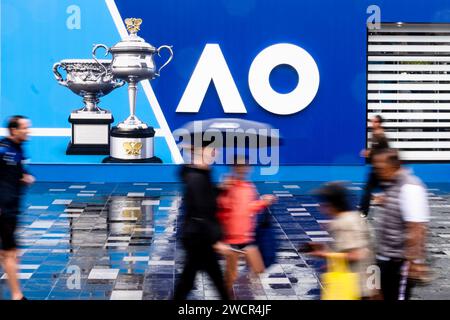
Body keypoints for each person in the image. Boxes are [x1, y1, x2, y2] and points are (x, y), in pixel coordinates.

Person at [173, 144, 230, 300]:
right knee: (213, 281)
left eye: (215, 149)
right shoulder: (197, 177)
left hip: (198, 236)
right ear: (199, 151)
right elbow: (201, 212)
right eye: (211, 149)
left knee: (189, 281)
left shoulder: (202, 173)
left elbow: (206, 198)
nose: (215, 152)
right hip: (199, 238)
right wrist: (216, 240)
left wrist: (220, 189)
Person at [372, 148, 430, 300]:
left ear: (393, 166)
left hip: (399, 263)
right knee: (375, 294)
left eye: (379, 167)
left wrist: (414, 262)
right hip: (383, 258)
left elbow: (417, 227)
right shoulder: (392, 183)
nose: (376, 171)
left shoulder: (411, 187)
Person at [217, 158, 276, 298]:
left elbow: (248, 208)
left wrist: (264, 202)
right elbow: (219, 209)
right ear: (234, 167)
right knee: (230, 277)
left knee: (258, 268)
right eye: (240, 166)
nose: (243, 168)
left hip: (246, 236)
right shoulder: (227, 186)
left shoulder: (249, 187)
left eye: (246, 166)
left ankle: (242, 294)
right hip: (232, 238)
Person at [308, 182, 375, 299]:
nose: (319, 206)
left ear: (332, 205)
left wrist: (323, 254)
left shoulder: (344, 223)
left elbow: (356, 255)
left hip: (354, 287)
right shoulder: (355, 216)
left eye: (323, 203)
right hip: (366, 283)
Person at [0, 115, 35, 300]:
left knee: (9, 253)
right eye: (24, 128)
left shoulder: (17, 149)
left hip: (12, 209)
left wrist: (25, 176)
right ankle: (17, 295)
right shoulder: (3, 150)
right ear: (14, 130)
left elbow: (18, 171)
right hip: (4, 210)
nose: (27, 131)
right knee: (11, 253)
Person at [359, 115, 390, 218]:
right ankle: (364, 210)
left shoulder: (381, 136)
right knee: (369, 189)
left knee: (368, 189)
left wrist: (369, 153)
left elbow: (385, 152)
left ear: (379, 123)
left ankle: (363, 211)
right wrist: (369, 152)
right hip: (376, 168)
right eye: (372, 121)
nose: (372, 123)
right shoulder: (374, 134)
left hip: (380, 168)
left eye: (375, 122)